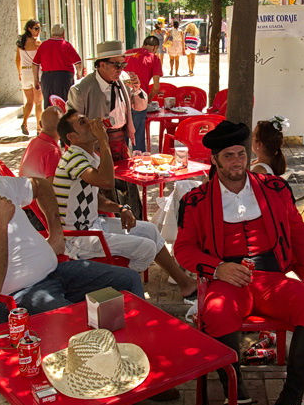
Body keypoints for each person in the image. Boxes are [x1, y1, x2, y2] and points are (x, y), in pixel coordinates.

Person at [174, 121, 304, 405]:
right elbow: (184, 250)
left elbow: (299, 234)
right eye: (228, 156)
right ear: (214, 160)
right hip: (229, 280)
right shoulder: (196, 200)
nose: (236, 162)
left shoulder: (274, 188)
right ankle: (238, 398)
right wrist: (218, 268)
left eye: (241, 154)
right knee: (214, 314)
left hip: (272, 278)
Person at [0, 139, 143, 326]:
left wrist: (56, 232)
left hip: (56, 272)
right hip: (14, 300)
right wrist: (0, 224)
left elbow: (41, 185)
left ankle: (138, 347)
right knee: (77, 324)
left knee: (129, 281)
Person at [54, 109, 198, 301]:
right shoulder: (74, 157)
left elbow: (94, 198)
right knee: (145, 247)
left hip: (93, 224)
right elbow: (107, 181)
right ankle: (122, 289)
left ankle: (185, 284)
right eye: (82, 122)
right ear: (72, 137)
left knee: (150, 231)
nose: (89, 123)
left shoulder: (87, 156)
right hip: (79, 237)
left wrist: (121, 208)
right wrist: (104, 142)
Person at [67, 40, 135, 161]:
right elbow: (73, 127)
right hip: (95, 147)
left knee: (124, 177)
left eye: (123, 65)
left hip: (121, 140)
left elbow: (139, 106)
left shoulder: (124, 79)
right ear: (102, 65)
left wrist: (138, 91)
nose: (120, 69)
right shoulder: (81, 90)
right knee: (104, 179)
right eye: (117, 65)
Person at [124, 36, 163, 151]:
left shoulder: (127, 54)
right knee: (138, 134)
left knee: (121, 134)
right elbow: (156, 87)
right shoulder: (154, 58)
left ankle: (121, 161)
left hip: (122, 97)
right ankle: (139, 162)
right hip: (139, 99)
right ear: (155, 47)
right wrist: (148, 100)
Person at [32, 24, 83, 107]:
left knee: (49, 104)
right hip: (64, 78)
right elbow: (78, 62)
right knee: (64, 103)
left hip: (47, 78)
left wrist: (36, 79)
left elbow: (35, 64)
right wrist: (79, 74)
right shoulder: (66, 45)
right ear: (63, 33)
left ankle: (50, 119)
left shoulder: (44, 45)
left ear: (52, 33)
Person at [18, 105, 63, 180]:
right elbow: (52, 185)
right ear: (62, 128)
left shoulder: (34, 141)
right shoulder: (52, 151)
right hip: (35, 190)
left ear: (40, 124)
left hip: (23, 187)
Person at [15, 20, 43, 135]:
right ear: (29, 29)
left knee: (29, 101)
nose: (38, 31)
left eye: (39, 28)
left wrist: (19, 73)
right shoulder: (38, 43)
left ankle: (24, 123)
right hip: (36, 73)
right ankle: (38, 127)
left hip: (25, 73)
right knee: (38, 102)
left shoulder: (20, 43)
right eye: (36, 28)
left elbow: (17, 59)